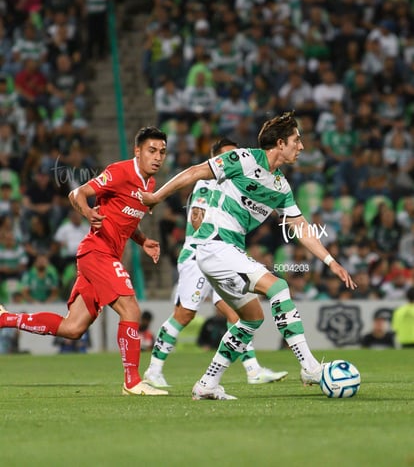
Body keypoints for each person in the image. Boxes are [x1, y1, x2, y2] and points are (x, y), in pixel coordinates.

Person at [140, 111, 356, 400]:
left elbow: (301, 228)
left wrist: (331, 262)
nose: (301, 147)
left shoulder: (280, 186)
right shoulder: (243, 158)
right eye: (297, 140)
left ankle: (207, 384)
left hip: (226, 251)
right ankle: (310, 366)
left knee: (251, 318)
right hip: (213, 244)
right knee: (278, 288)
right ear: (280, 143)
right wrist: (156, 197)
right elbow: (194, 172)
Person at [0, 127, 169, 396]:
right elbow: (76, 194)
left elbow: (124, 220)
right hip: (96, 252)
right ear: (137, 151)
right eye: (152, 150)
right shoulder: (120, 172)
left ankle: (5, 318)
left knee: (73, 328)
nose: (157, 157)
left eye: (161, 151)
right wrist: (89, 212)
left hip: (102, 255)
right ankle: (133, 381)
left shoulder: (149, 185)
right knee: (131, 311)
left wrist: (143, 240)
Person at [144, 138, 288, 389]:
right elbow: (198, 218)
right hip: (199, 254)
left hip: (224, 254)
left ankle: (253, 370)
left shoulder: (239, 186)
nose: (237, 160)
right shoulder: (206, 182)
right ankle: (153, 369)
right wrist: (213, 243)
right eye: (230, 155)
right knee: (185, 313)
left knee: (237, 313)